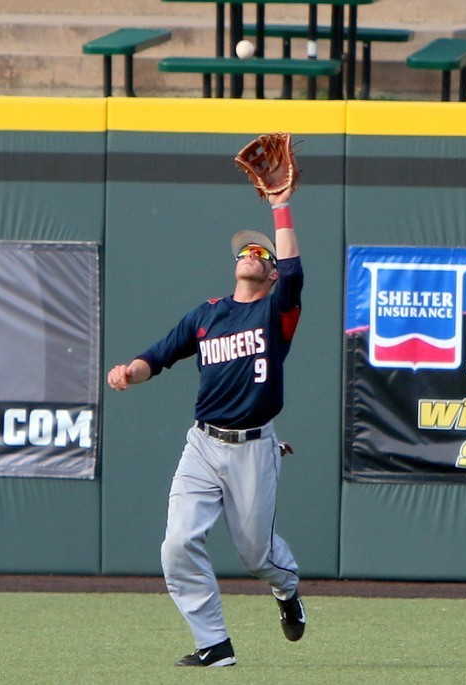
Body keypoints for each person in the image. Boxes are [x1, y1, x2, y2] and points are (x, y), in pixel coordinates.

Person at [106, 187, 304, 668]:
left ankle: (288, 588)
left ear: (272, 272)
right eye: (246, 251)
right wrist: (131, 370)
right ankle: (214, 643)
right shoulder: (206, 315)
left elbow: (296, 273)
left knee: (258, 557)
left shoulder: (276, 312)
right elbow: (159, 355)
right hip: (203, 444)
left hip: (254, 448)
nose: (253, 254)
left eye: (263, 253)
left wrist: (280, 205)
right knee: (176, 544)